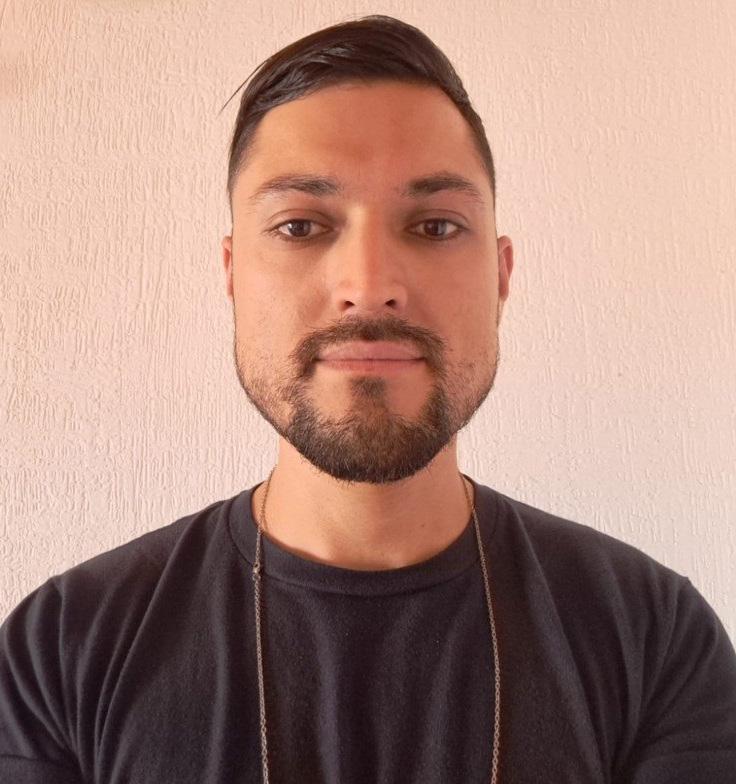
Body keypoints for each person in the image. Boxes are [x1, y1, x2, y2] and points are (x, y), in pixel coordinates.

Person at [1, 14, 735, 784]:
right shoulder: (62, 651)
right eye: (301, 226)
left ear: (501, 276)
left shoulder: (654, 638)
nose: (370, 285)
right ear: (232, 273)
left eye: (435, 226)